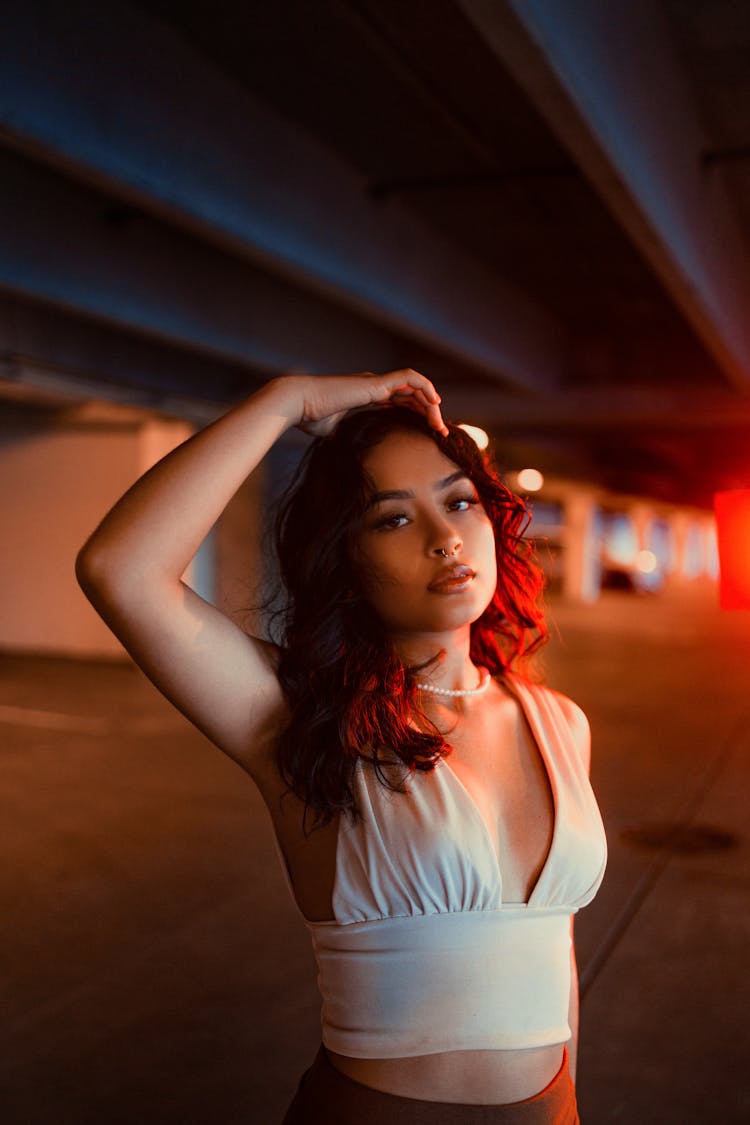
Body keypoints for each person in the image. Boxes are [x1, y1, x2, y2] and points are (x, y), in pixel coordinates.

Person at [76, 370, 607, 1124]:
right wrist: (288, 400)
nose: (445, 536)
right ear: (345, 560)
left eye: (459, 500)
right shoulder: (303, 716)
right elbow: (119, 569)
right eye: (392, 518)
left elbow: (560, 957)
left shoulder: (562, 721)